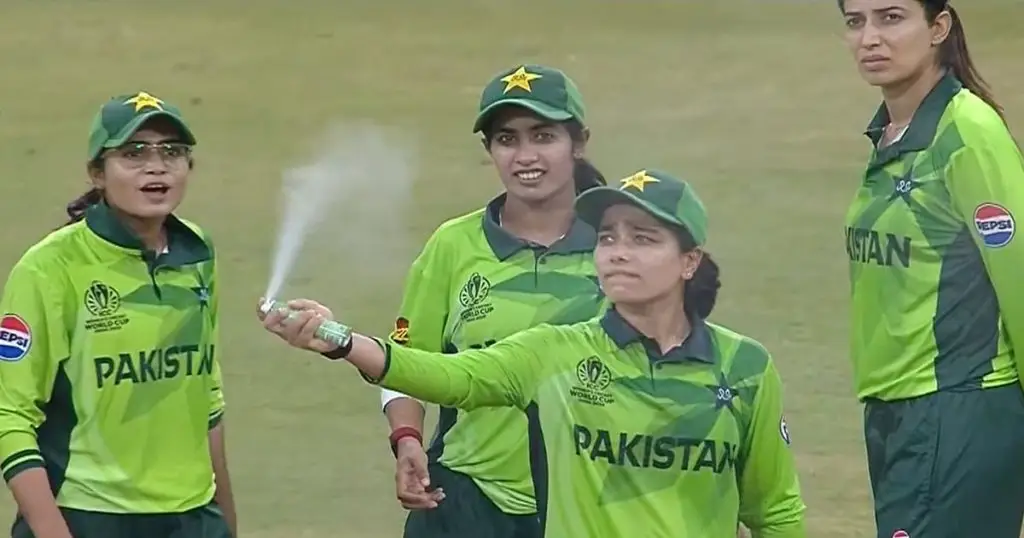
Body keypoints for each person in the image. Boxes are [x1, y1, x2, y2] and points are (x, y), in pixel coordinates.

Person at [258, 169, 808, 538]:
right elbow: (452, 377)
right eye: (608, 238)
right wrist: (340, 339)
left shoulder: (746, 369)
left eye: (643, 239)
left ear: (690, 261)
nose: (618, 253)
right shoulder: (554, 352)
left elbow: (775, 511)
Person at [380, 63, 607, 538]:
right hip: (464, 501)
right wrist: (407, 439)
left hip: (591, 503)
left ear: (579, 142)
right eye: (507, 140)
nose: (525, 156)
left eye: (543, 136)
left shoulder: (620, 248)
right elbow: (404, 360)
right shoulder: (453, 245)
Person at [0, 91, 237, 538]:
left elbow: (206, 395)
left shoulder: (197, 254)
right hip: (88, 515)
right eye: (134, 153)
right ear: (97, 173)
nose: (156, 166)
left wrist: (224, 520)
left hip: (192, 518)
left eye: (172, 152)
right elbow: (9, 415)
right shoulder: (48, 269)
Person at [839, 0, 1024, 536]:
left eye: (891, 17)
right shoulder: (893, 134)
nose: (870, 37)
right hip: (898, 411)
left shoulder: (967, 131)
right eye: (855, 22)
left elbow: (1018, 274)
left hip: (959, 408)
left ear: (939, 27)